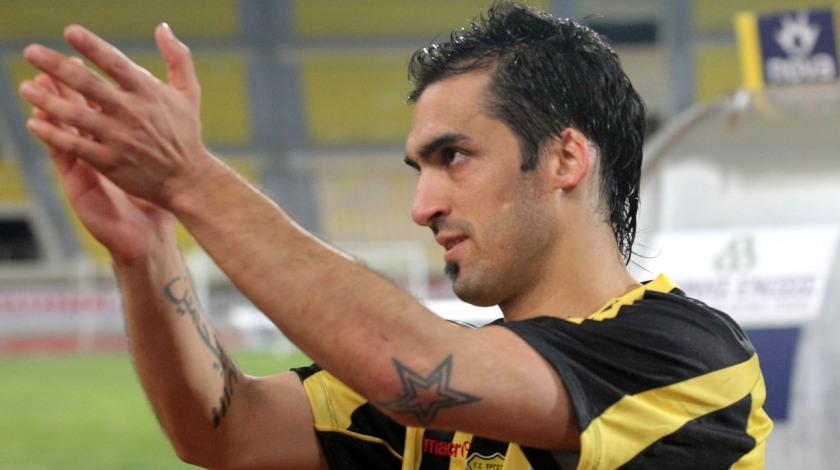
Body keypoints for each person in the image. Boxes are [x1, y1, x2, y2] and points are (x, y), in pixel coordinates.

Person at [19, 2, 771, 469]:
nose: (422, 206)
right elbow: (226, 432)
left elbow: (409, 364)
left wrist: (190, 179)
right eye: (419, 168)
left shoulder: (691, 358)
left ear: (565, 159)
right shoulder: (447, 388)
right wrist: (146, 246)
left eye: (454, 157)